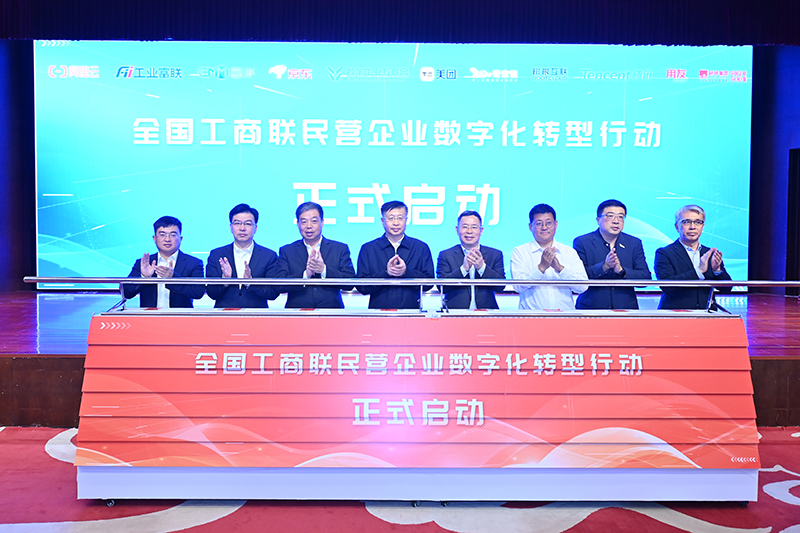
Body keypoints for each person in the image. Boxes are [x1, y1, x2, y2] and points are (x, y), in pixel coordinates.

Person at [572, 199, 651, 309]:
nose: (616, 221)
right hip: (592, 309)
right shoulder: (582, 242)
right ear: (598, 220)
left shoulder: (634, 243)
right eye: (610, 216)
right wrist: (604, 267)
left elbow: (645, 278)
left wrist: (621, 271)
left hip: (625, 309)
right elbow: (578, 277)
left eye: (620, 217)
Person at [275, 202, 356, 308]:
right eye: (304, 222)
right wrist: (305, 275)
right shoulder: (287, 251)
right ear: (298, 224)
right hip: (297, 312)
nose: (309, 226)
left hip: (331, 312)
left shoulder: (339, 249)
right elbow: (279, 285)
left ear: (322, 222)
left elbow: (350, 283)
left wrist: (324, 270)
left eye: (314, 221)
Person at [356, 200, 434, 309]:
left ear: (406, 220)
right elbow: (361, 287)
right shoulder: (368, 249)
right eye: (391, 218)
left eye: (400, 218)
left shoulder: (421, 247)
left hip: (411, 313)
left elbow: (429, 284)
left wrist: (406, 272)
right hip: (378, 313)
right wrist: (386, 273)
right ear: (383, 221)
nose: (396, 223)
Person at [510, 203, 588, 310]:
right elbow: (518, 287)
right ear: (530, 227)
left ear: (556, 224)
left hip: (564, 316)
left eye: (548, 223)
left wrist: (560, 269)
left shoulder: (569, 252)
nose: (544, 227)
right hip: (532, 316)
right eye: (538, 223)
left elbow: (583, 287)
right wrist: (541, 267)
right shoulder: (520, 251)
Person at [655, 204, 732, 310]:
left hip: (707, 314)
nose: (692, 227)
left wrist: (717, 271)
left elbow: (727, 289)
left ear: (702, 227)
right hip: (676, 314)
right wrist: (698, 271)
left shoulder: (710, 253)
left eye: (698, 222)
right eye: (686, 222)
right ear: (677, 227)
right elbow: (666, 286)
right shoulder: (665, 253)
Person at [206, 203, 279, 308]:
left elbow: (273, 293)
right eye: (237, 223)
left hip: (257, 315)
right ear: (231, 227)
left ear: (255, 228)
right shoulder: (217, 255)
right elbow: (211, 293)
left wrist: (250, 283)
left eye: (248, 224)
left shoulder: (269, 256)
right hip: (224, 314)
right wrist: (225, 280)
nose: (242, 228)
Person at [122, 215, 205, 308]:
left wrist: (173, 278)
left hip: (180, 316)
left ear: (180, 239)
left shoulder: (193, 263)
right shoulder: (144, 263)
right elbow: (126, 293)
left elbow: (198, 293)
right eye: (162, 234)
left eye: (173, 235)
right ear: (154, 238)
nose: (167, 239)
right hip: (149, 316)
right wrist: (144, 277)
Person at [436, 210, 506, 309]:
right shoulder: (446, 255)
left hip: (486, 313)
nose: (469, 231)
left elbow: (500, 287)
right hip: (455, 313)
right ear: (457, 230)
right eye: (465, 227)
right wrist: (463, 270)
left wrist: (482, 268)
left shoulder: (495, 254)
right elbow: (441, 287)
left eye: (474, 227)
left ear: (481, 230)